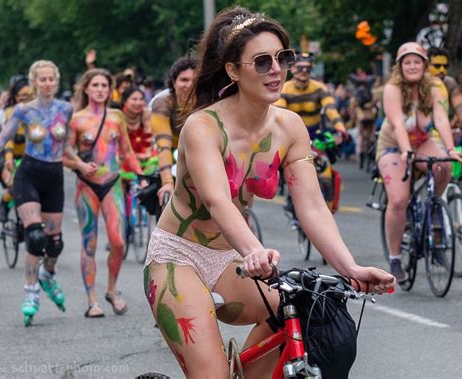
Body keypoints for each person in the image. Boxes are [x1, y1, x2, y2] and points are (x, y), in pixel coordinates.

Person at [143, 7, 395, 377]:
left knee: (306, 310)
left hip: (231, 260)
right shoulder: (203, 127)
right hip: (177, 260)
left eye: (283, 58)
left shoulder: (289, 127)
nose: (276, 69)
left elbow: (310, 205)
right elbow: (216, 200)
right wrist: (255, 251)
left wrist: (350, 267)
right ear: (233, 70)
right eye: (261, 61)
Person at [0, 60, 77, 325]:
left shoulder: (66, 108)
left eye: (51, 79)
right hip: (28, 174)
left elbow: (66, 146)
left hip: (54, 176)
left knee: (55, 244)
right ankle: (31, 291)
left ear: (57, 80)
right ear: (34, 82)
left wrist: (82, 163)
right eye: (42, 79)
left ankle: (47, 274)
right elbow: (3, 139)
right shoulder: (23, 110)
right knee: (35, 236)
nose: (47, 84)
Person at [375, 42, 462, 282]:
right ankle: (394, 258)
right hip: (393, 145)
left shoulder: (434, 86)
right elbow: (398, 124)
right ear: (400, 66)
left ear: (424, 65)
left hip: (422, 141)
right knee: (400, 200)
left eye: (417, 62)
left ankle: (433, 207)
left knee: (443, 164)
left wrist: (452, 149)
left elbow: (442, 120)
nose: (412, 66)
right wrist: (405, 151)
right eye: (407, 62)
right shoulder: (392, 89)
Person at [64, 69, 145, 318]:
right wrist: (79, 165)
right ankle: (92, 301)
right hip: (86, 186)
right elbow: (64, 154)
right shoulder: (76, 119)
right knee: (89, 243)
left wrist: (141, 176)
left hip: (112, 184)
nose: (100, 89)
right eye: (95, 85)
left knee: (118, 241)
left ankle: (112, 289)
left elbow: (127, 151)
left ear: (110, 90)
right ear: (86, 89)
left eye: (104, 86)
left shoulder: (117, 117)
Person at [275, 52, 347, 223]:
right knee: (294, 174)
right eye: (300, 68)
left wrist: (341, 129)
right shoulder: (285, 88)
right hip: (291, 136)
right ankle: (291, 203)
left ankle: (327, 218)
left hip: (315, 137)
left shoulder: (319, 88)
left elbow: (330, 109)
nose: (304, 72)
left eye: (308, 68)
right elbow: (279, 114)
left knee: (326, 177)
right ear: (293, 69)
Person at [150, 55, 198, 204]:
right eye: (184, 80)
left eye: (195, 80)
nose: (189, 85)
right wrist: (167, 183)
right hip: (171, 153)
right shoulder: (163, 102)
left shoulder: (209, 102)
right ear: (173, 82)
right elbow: (163, 146)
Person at [0, 77, 33, 223]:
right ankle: (4, 205)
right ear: (16, 97)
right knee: (14, 185)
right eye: (23, 96)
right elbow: (8, 139)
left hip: (34, 159)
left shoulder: (39, 111)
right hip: (14, 157)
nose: (26, 100)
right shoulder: (11, 113)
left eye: (30, 96)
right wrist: (9, 158)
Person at [427, 47, 462, 130]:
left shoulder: (449, 83)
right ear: (425, 65)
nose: (442, 70)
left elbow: (460, 110)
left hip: (442, 131)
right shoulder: (416, 84)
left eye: (445, 66)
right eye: (437, 66)